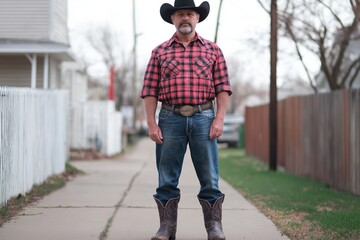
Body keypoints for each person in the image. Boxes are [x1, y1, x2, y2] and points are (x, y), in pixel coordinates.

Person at [141, 0, 232, 239]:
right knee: (167, 177)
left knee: (210, 177)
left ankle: (214, 229)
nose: (185, 18)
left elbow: (223, 88)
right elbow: (150, 90)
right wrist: (152, 123)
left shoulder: (213, 50)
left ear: (197, 18)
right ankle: (166, 229)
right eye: (180, 14)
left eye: (189, 14)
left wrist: (219, 119)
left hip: (204, 118)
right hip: (170, 118)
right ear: (172, 18)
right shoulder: (159, 52)